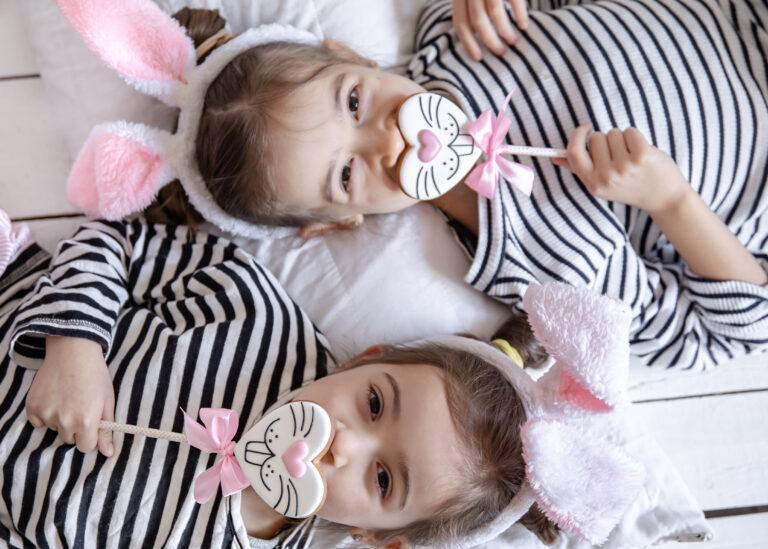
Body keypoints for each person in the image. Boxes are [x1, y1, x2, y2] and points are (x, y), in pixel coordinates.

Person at [63, 0, 768, 373]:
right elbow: (731, 330)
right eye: (346, 173)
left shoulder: (459, 33)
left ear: (350, 54)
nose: (393, 138)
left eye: (353, 102)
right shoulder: (543, 265)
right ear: (335, 224)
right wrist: (672, 201)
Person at [0, 213, 559, 548]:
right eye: (372, 403)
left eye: (383, 479)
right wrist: (76, 342)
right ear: (363, 360)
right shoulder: (252, 310)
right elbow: (113, 242)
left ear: (374, 536)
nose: (345, 444)